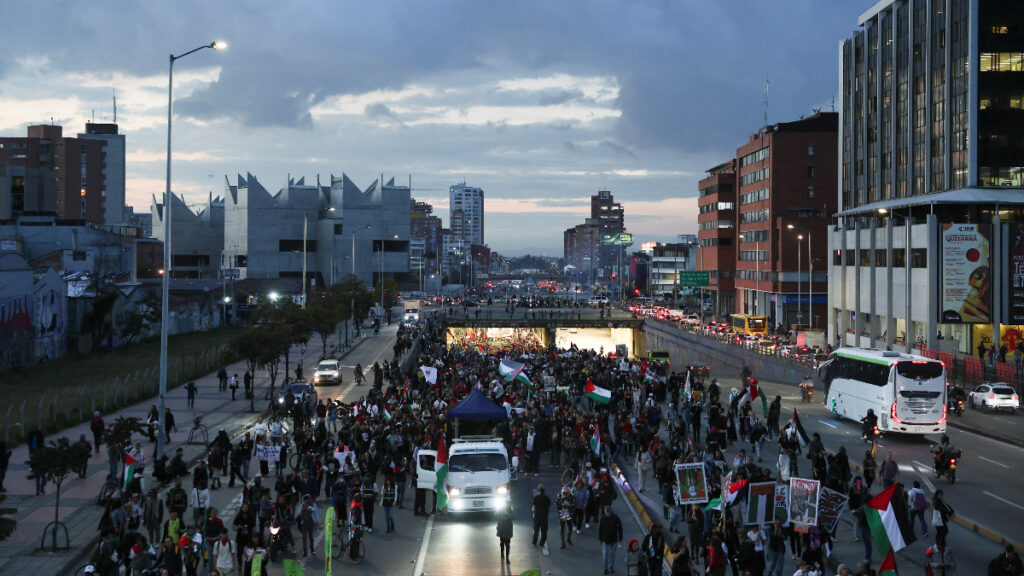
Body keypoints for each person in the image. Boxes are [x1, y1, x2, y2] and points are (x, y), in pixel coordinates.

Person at [599, 505, 623, 575]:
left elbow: (620, 528)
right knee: (605, 554)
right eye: (606, 511)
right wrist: (600, 539)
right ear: (604, 511)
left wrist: (620, 538)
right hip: (605, 539)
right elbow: (600, 529)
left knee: (612, 554)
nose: (607, 512)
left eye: (608, 511)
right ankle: (605, 568)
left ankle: (611, 567)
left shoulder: (616, 518)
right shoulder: (602, 518)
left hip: (614, 539)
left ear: (611, 511)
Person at [298, 494, 318, 559]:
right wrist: (302, 509)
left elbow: (315, 512)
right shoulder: (302, 505)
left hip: (311, 523)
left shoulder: (313, 505)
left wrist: (317, 521)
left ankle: (312, 549)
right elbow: (299, 514)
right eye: (305, 499)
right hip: (304, 523)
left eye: (308, 499)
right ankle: (305, 552)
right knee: (304, 538)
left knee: (310, 536)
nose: (306, 501)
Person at [532, 483, 551, 549]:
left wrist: (534, 514)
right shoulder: (547, 498)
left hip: (537, 516)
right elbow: (548, 507)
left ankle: (534, 541)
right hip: (544, 517)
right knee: (544, 531)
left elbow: (534, 508)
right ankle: (542, 543)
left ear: (538, 490)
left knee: (536, 530)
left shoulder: (536, 498)